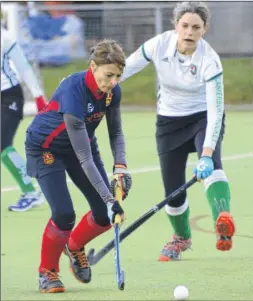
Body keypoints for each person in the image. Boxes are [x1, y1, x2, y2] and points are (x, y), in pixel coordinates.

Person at [121, 1, 235, 261]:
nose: (189, 32)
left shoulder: (210, 60)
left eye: (196, 27)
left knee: (213, 166)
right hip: (169, 122)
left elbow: (215, 111)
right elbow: (126, 69)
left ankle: (223, 221)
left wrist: (206, 154)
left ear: (204, 29)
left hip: (203, 118)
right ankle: (181, 239)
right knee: (173, 191)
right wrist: (97, 83)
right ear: (176, 25)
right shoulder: (159, 44)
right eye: (185, 25)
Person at [25, 39, 132, 293]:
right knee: (64, 214)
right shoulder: (74, 90)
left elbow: (115, 133)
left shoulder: (112, 92)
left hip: (81, 144)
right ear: (93, 67)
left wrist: (121, 168)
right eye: (109, 75)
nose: (113, 82)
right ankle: (47, 272)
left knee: (104, 216)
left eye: (118, 76)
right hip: (46, 149)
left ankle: (74, 247)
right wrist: (110, 199)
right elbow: (85, 158)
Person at [1, 25, 47, 212]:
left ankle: (31, 193)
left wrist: (38, 97)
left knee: (3, 144)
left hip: (9, 97)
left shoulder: (3, 37)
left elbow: (24, 67)